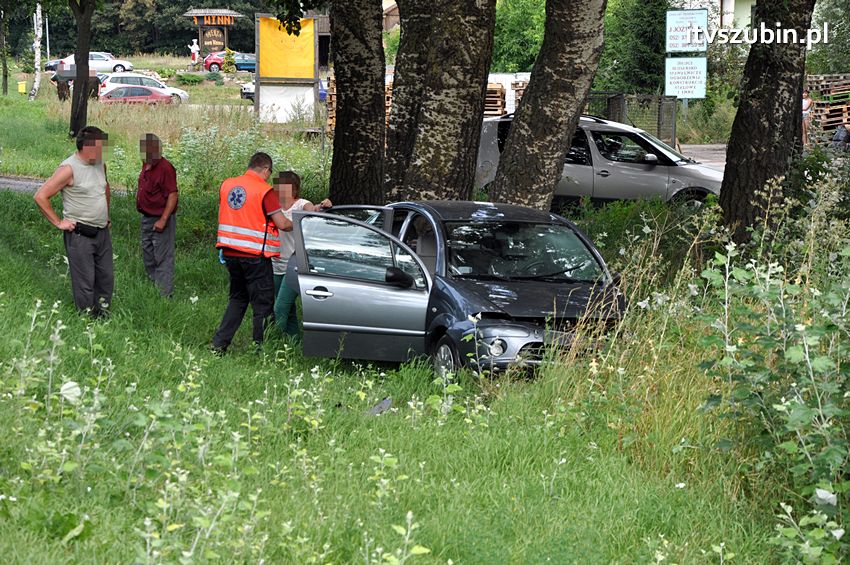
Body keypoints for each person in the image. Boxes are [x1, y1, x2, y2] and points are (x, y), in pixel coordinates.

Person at [211, 152, 293, 354]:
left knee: (237, 299)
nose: (268, 177)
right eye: (269, 173)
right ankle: (262, 349)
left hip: (230, 253)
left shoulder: (227, 185)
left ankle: (219, 345)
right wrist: (300, 223)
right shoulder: (265, 191)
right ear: (265, 169)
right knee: (263, 304)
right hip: (255, 256)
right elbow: (282, 224)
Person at [34, 126, 113, 318]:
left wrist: (106, 214)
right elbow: (40, 196)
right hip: (80, 234)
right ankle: (86, 319)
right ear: (87, 147)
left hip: (102, 232)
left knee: (106, 277)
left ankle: (102, 315)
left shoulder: (100, 164)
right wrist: (58, 222)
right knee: (85, 280)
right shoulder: (68, 169)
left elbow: (105, 187)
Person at [270, 171, 332, 339]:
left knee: (280, 308)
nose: (279, 189)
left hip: (295, 264)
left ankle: (270, 342)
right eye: (277, 185)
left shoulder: (301, 205)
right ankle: (294, 342)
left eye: (284, 186)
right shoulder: (273, 208)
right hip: (276, 263)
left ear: (294, 189)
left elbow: (312, 210)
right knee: (288, 309)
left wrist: (322, 206)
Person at [137, 133, 178, 297]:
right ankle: (154, 288)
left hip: (160, 218)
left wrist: (163, 219)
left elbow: (173, 195)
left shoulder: (165, 168)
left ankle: (164, 295)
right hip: (146, 218)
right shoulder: (146, 165)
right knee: (148, 254)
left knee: (162, 256)